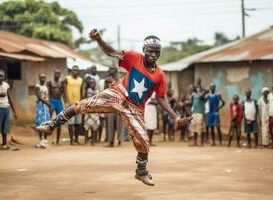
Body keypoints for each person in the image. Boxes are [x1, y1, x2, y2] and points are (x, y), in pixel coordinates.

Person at [37, 29, 190, 186]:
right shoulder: (133, 58)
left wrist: (175, 116)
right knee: (84, 105)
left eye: (156, 51)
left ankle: (141, 172)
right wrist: (98, 39)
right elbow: (111, 52)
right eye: (150, 50)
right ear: (144, 50)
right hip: (117, 95)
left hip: (134, 109)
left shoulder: (160, 76)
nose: (153, 54)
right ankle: (52, 124)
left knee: (143, 141)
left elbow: (161, 98)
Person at [0, 70, 17, 150]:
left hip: (6, 108)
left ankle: (4, 144)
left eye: (2, 76)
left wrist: (14, 111)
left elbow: (9, 98)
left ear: (4, 77)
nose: (0, 77)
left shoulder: (6, 85)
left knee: (5, 127)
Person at [64, 66, 83, 145]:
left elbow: (81, 91)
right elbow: (64, 90)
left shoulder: (81, 80)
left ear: (78, 72)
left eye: (77, 71)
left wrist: (82, 102)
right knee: (71, 123)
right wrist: (67, 101)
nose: (75, 72)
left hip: (78, 103)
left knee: (78, 123)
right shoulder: (67, 79)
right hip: (70, 103)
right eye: (74, 70)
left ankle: (76, 139)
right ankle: (71, 140)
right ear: (71, 71)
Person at [47, 69, 64, 144]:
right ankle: (45, 138)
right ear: (54, 73)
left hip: (59, 102)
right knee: (48, 118)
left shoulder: (61, 83)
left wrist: (66, 102)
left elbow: (63, 92)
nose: (57, 74)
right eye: (56, 73)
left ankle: (57, 140)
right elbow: (48, 93)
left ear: (60, 74)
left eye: (58, 73)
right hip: (52, 101)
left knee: (60, 120)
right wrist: (49, 102)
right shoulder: (50, 82)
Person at [84, 77, 100, 145]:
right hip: (88, 110)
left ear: (95, 83)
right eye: (90, 83)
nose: (92, 84)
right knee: (86, 126)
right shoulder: (87, 90)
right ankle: (86, 140)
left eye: (93, 83)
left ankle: (93, 141)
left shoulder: (98, 91)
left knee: (95, 126)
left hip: (95, 110)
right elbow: (85, 99)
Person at [35, 73, 51, 142]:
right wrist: (47, 103)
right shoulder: (37, 86)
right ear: (39, 78)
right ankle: (41, 138)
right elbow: (39, 97)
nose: (43, 79)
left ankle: (45, 138)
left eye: (44, 78)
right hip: (41, 105)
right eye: (41, 78)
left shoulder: (45, 86)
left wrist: (48, 104)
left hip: (46, 106)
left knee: (46, 121)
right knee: (40, 121)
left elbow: (47, 96)